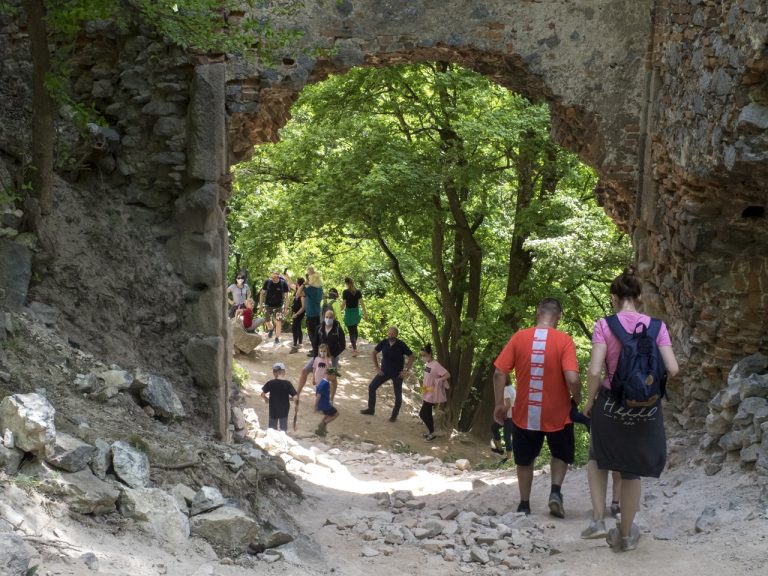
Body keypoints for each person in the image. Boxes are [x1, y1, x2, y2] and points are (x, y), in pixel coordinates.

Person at [580, 267, 679, 551]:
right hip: (646, 410)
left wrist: (589, 402)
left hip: (611, 404)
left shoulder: (605, 325)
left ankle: (598, 520)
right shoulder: (657, 327)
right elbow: (672, 368)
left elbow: (595, 370)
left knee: (597, 458)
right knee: (631, 470)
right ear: (639, 297)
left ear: (614, 297)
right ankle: (624, 534)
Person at [493, 298, 581, 518]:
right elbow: (572, 376)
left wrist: (499, 405)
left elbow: (498, 373)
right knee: (560, 454)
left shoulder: (519, 337)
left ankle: (524, 505)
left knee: (524, 460)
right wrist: (578, 398)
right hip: (558, 414)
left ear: (537, 312)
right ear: (558, 317)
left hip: (525, 414)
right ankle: (555, 493)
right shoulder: (564, 341)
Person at [360, 327, 415, 423]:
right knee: (372, 387)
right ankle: (371, 409)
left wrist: (405, 370)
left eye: (393, 334)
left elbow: (412, 356)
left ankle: (394, 416)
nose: (390, 335)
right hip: (384, 372)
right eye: (389, 333)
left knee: (398, 397)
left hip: (397, 374)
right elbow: (374, 352)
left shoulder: (401, 344)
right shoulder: (384, 342)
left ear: (396, 335)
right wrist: (377, 368)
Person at [295, 309, 346, 405]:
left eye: (330, 317)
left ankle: (331, 400)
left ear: (333, 317)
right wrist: (315, 357)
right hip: (319, 356)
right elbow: (315, 343)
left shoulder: (338, 328)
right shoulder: (319, 327)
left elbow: (342, 345)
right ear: (323, 317)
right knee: (304, 371)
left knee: (332, 378)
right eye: (327, 317)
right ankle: (296, 394)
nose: (328, 319)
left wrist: (333, 355)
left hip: (332, 358)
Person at [418, 344, 449, 441]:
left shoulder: (436, 365)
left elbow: (447, 374)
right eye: (421, 355)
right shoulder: (427, 364)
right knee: (427, 413)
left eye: (424, 355)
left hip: (432, 393)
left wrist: (439, 381)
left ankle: (432, 433)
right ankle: (431, 432)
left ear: (430, 354)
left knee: (422, 414)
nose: (423, 357)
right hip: (426, 391)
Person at [261, 362, 297, 431]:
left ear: (274, 373)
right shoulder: (288, 384)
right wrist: (295, 403)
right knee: (283, 429)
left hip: (273, 409)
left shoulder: (270, 383)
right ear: (284, 372)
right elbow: (295, 397)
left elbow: (262, 395)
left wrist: (266, 399)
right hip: (284, 410)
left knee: (272, 429)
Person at [259, 270, 291, 344]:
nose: (272, 279)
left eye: (274, 277)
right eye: (272, 277)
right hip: (268, 305)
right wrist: (260, 305)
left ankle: (277, 338)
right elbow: (262, 293)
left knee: (278, 321)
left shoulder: (283, 283)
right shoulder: (267, 282)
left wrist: (286, 308)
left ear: (278, 277)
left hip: (279, 306)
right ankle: (271, 329)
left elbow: (286, 297)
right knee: (266, 320)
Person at [341, 277, 368, 357]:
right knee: (355, 328)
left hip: (349, 313)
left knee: (351, 331)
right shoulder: (358, 292)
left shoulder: (345, 292)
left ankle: (354, 349)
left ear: (346, 283)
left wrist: (337, 311)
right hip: (356, 312)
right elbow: (362, 304)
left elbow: (343, 305)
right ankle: (354, 345)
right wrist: (365, 314)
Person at [491, 379, 516, 463]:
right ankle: (500, 449)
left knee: (507, 437)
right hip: (512, 416)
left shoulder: (506, 390)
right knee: (494, 427)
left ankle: (509, 458)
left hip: (508, 417)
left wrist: (504, 413)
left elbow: (508, 404)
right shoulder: (512, 388)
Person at [303, 267, 324, 354]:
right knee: (318, 333)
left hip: (311, 314)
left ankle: (315, 351)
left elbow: (298, 293)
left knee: (312, 334)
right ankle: (318, 350)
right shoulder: (320, 289)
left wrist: (304, 284)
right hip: (318, 313)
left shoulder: (310, 289)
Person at [315, 367, 340, 436]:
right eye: (334, 376)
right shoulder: (325, 384)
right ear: (330, 375)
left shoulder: (323, 381)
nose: (335, 378)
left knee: (328, 414)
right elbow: (318, 396)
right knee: (336, 414)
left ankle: (322, 429)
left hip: (324, 403)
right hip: (325, 405)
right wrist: (316, 407)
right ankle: (323, 424)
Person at [290, 277, 306, 353]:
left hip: (299, 313)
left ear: (299, 284)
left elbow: (303, 307)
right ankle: (300, 343)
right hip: (295, 312)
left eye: (296, 282)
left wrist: (296, 314)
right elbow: (290, 283)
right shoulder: (296, 291)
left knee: (294, 327)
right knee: (298, 327)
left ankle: (295, 344)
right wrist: (285, 275)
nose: (295, 284)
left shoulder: (302, 294)